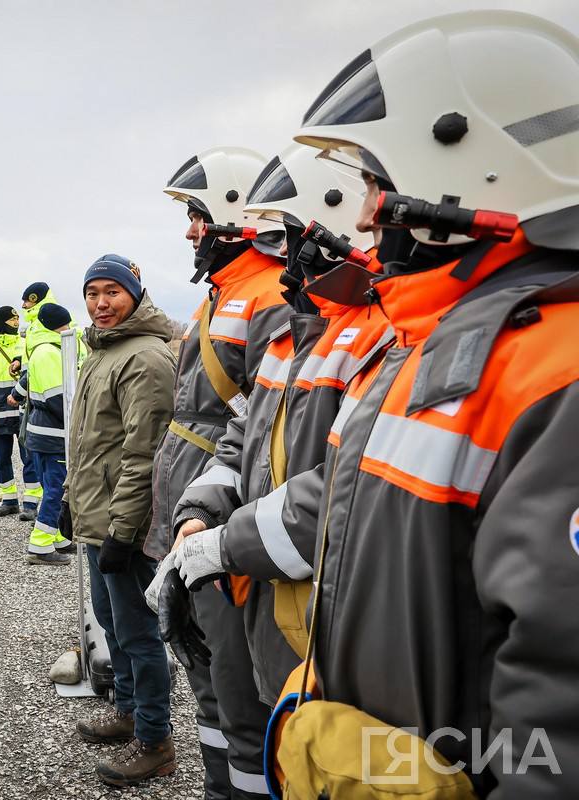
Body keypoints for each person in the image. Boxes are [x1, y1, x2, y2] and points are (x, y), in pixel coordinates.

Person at [267, 13, 579, 797]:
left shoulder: (555, 370)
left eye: (379, 184)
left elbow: (559, 712)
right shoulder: (430, 343)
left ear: (474, 170)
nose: (369, 218)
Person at [158, 144, 384, 711]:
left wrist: (222, 545)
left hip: (299, 590)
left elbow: (336, 491)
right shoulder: (298, 330)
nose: (190, 232)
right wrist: (196, 515)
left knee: (268, 726)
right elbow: (244, 440)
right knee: (243, 713)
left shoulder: (370, 335)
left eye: (282, 234)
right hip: (261, 564)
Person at [147, 146, 289, 800]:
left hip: (232, 540)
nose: (189, 231)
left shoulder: (269, 299)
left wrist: (217, 528)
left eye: (199, 216)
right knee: (208, 687)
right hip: (197, 523)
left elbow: (264, 437)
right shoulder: (223, 296)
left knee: (243, 703)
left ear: (238, 216)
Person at [64, 255, 177, 786]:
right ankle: (128, 709)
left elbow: (144, 454)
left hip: (123, 527)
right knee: (112, 625)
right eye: (93, 293)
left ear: (135, 293)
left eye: (112, 291)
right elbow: (88, 442)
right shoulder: (103, 351)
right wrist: (69, 497)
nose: (101, 303)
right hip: (98, 518)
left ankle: (155, 740)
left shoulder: (146, 358)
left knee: (137, 633)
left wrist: (123, 532)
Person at [11, 302, 84, 565]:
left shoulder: (39, 350)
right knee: (56, 489)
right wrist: (81, 420)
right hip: (54, 434)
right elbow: (58, 400)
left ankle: (57, 538)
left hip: (39, 434)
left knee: (48, 486)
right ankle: (40, 547)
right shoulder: (50, 352)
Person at [0, 306, 41, 519]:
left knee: (30, 458)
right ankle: (9, 500)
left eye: (17, 319)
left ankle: (31, 505)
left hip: (22, 415)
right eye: (12, 320)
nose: (16, 323)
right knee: (1, 460)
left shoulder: (26, 345)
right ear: (1, 322)